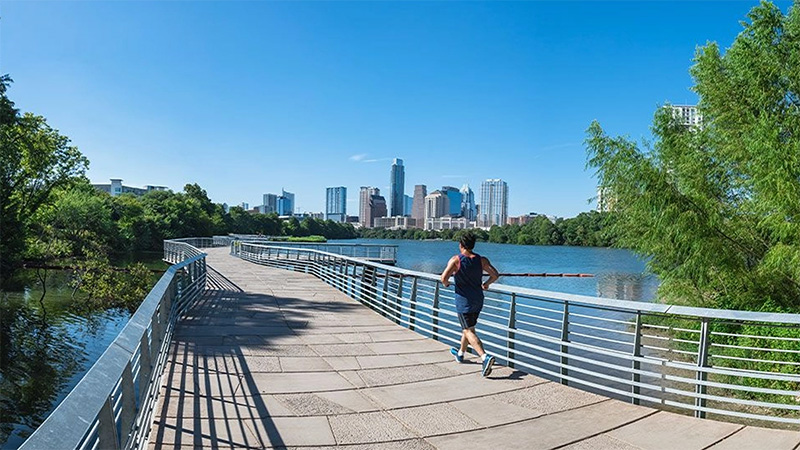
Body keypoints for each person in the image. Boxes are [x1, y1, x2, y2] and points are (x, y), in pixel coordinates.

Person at [440, 232, 500, 376]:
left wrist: (447, 284)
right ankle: (460, 354)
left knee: (468, 330)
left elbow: (443, 278)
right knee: (468, 328)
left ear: (461, 245)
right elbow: (495, 275)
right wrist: (486, 284)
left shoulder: (456, 260)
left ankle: (484, 357)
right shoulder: (481, 260)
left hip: (463, 301)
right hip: (478, 300)